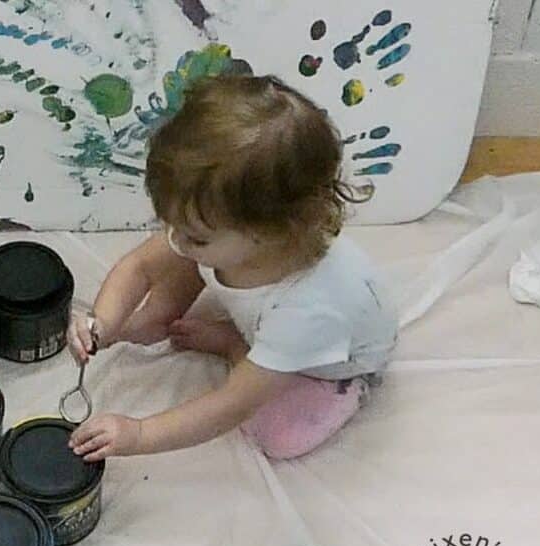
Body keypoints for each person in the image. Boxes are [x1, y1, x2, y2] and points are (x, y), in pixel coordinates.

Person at [67, 74, 398, 462]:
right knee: (182, 260)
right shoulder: (224, 235)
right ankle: (167, 319)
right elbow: (140, 266)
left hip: (330, 364)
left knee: (277, 438)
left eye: (198, 236)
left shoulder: (307, 311)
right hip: (262, 308)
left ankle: (241, 348)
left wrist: (139, 433)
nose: (177, 238)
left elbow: (229, 406)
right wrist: (102, 323)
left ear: (271, 232)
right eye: (175, 224)